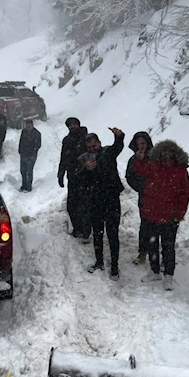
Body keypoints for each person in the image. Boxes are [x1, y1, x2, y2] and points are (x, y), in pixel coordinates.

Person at [132, 140, 189, 291]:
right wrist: (138, 159)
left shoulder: (181, 170)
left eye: (169, 152)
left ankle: (169, 276)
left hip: (170, 216)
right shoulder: (153, 165)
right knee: (152, 244)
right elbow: (140, 171)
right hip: (151, 213)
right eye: (163, 152)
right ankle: (154, 271)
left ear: (175, 154)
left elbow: (185, 193)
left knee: (168, 247)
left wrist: (179, 213)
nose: (166, 155)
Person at [76, 128, 125, 281]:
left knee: (112, 234)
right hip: (95, 201)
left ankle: (115, 266)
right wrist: (86, 169)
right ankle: (99, 261)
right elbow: (78, 179)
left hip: (111, 200)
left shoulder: (108, 153)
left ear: (99, 143)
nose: (92, 149)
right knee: (97, 233)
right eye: (89, 147)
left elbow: (118, 147)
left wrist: (119, 136)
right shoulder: (84, 159)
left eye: (94, 146)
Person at [57, 117, 90, 239]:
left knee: (85, 205)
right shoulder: (67, 140)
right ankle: (77, 229)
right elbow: (63, 157)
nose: (72, 126)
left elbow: (93, 154)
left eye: (74, 124)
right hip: (72, 177)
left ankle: (86, 231)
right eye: (70, 125)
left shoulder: (86, 138)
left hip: (86, 177)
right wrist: (61, 173)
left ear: (78, 124)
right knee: (72, 205)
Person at [125, 131, 154, 265]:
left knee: (160, 227)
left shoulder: (156, 157)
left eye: (143, 143)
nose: (140, 146)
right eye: (138, 144)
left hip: (160, 197)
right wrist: (143, 188)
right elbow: (130, 177)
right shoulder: (133, 160)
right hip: (144, 197)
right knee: (145, 226)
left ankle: (159, 255)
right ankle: (143, 252)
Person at [18, 119, 41, 192]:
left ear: (32, 125)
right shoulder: (24, 132)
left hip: (31, 155)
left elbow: (37, 145)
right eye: (27, 126)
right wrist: (20, 150)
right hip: (23, 154)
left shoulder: (37, 133)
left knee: (29, 171)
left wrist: (33, 153)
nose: (28, 127)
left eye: (29, 126)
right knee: (23, 170)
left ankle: (29, 186)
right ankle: (24, 185)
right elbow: (21, 141)